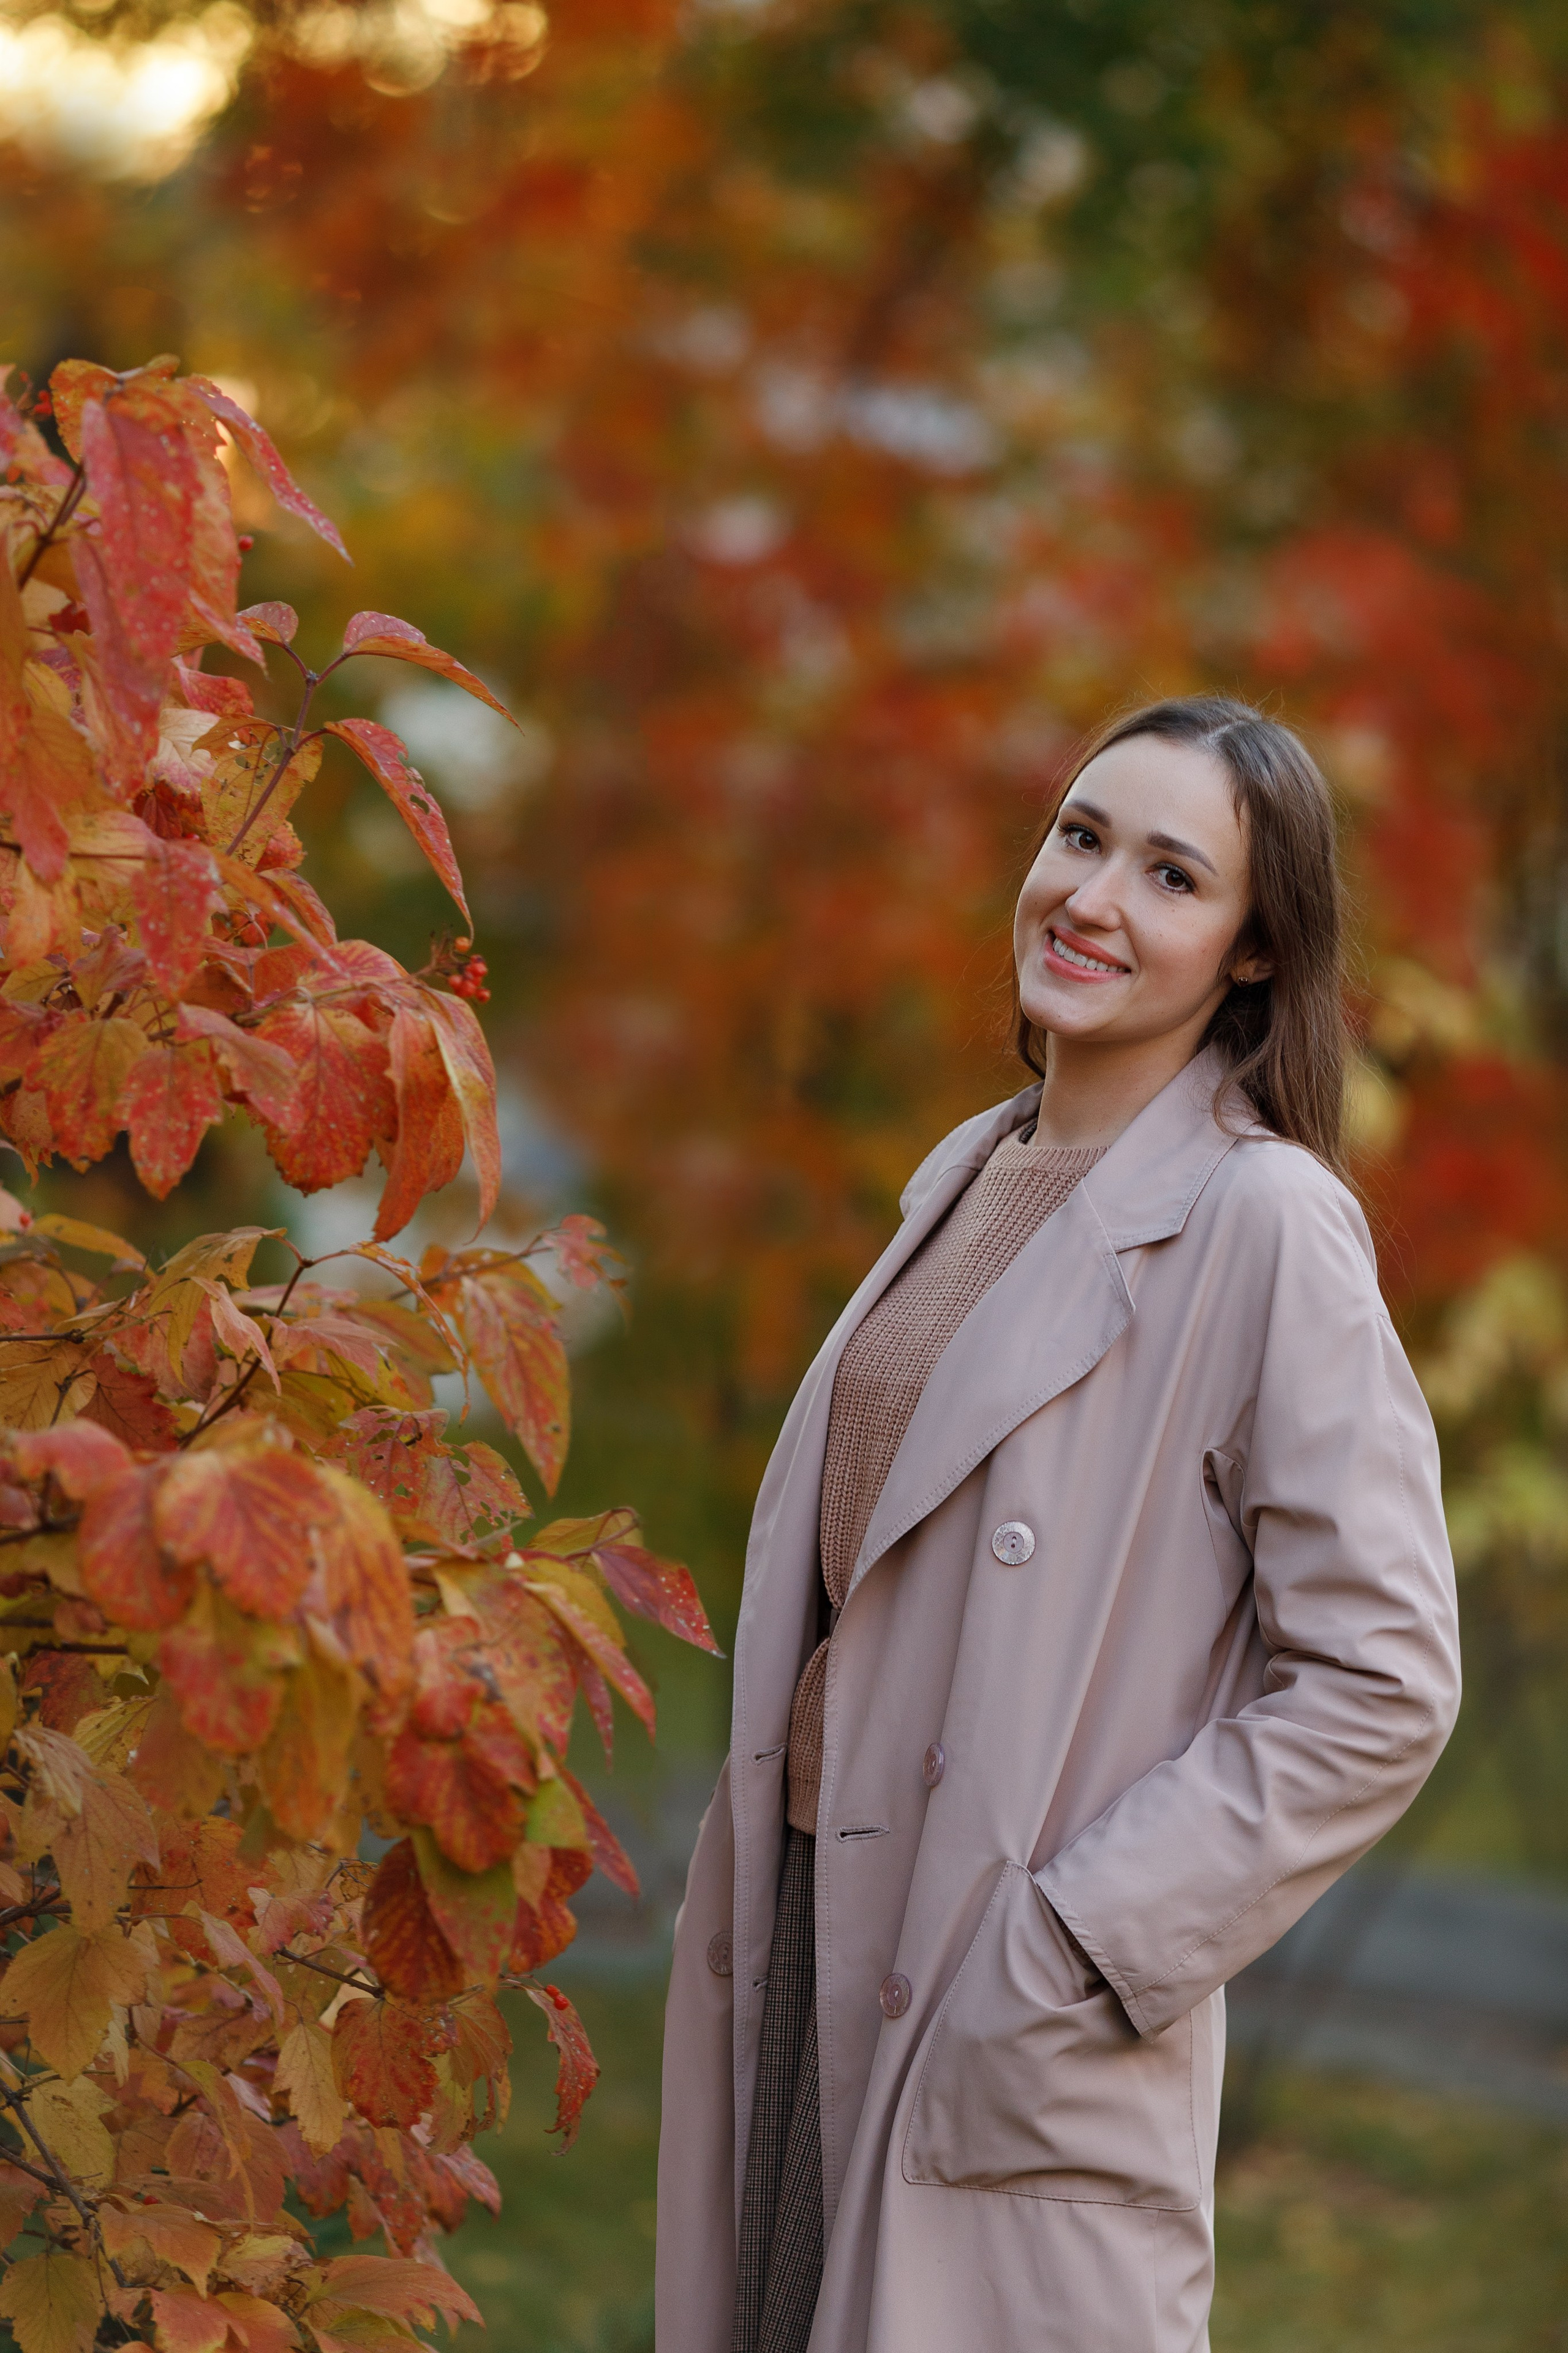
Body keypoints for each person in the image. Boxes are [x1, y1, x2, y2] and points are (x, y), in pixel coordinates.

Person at [655, 695, 1461, 2353]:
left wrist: (1077, 1943)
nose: (1092, 897)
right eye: (1082, 837)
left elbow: (1382, 1675)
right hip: (813, 1939)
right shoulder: (974, 1170)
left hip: (997, 1993)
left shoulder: (1266, 1221)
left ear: (1252, 950)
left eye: (1172, 874)